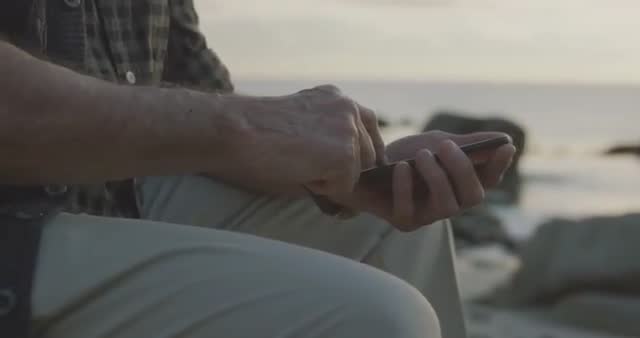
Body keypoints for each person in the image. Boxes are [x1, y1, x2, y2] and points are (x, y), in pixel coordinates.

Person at [0, 1, 516, 337]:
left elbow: (199, 108)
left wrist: (349, 175)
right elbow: (225, 127)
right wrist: (245, 128)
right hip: (16, 234)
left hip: (105, 199)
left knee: (399, 225)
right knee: (383, 319)